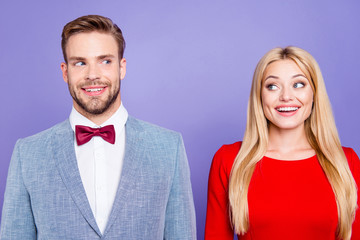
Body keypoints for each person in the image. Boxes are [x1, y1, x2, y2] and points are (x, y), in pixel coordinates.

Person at [1, 15, 196, 239]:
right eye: (80, 63)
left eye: (105, 61)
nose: (93, 75)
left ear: (122, 68)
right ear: (65, 72)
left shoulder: (168, 148)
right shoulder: (28, 154)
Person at [205, 46, 360, 240]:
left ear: (314, 94)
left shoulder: (346, 162)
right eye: (272, 86)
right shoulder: (229, 160)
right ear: (260, 97)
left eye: (298, 84)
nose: (286, 96)